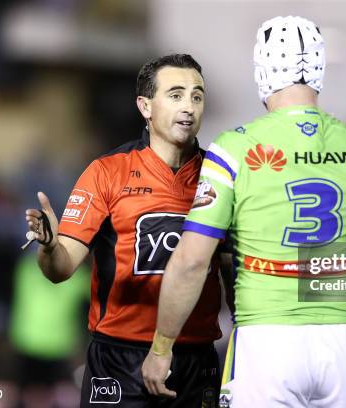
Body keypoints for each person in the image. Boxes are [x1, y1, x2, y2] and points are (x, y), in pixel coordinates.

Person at [141, 16, 346, 407]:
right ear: (320, 69)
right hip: (345, 342)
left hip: (266, 340)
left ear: (262, 71)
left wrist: (161, 346)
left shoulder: (233, 150)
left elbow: (190, 262)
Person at [24, 54, 223, 407]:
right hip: (120, 360)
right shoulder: (106, 173)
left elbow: (234, 269)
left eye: (197, 96)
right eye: (175, 95)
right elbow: (61, 269)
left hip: (196, 359)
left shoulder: (220, 176)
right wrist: (51, 246)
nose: (189, 107)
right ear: (145, 106)